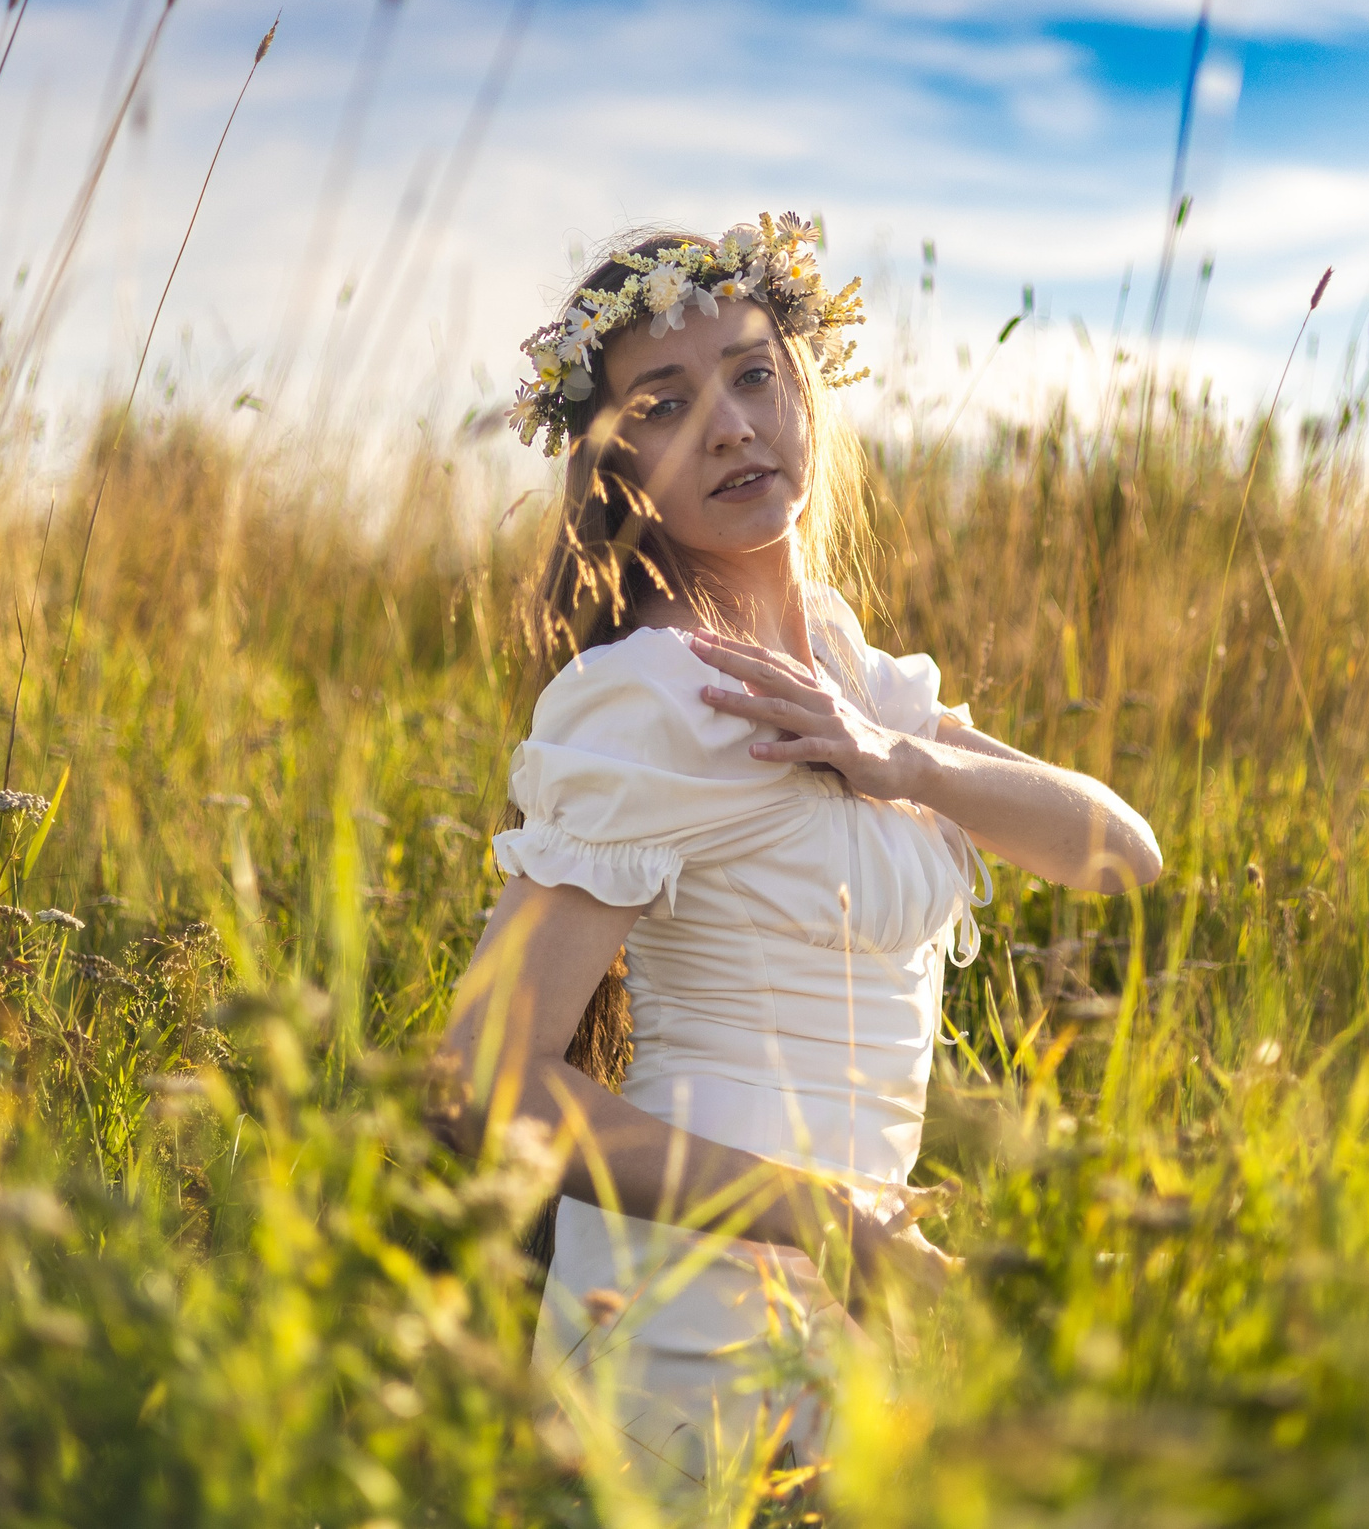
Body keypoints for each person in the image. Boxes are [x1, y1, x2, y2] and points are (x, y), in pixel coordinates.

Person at [429, 214, 1161, 1500]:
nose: (730, 425)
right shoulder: (648, 697)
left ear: (802, 393)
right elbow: (483, 1080)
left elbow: (1122, 855)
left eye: (753, 374)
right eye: (665, 403)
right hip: (683, 1324)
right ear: (618, 469)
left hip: (857, 1318)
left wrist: (903, 758)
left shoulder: (855, 677)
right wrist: (820, 1220)